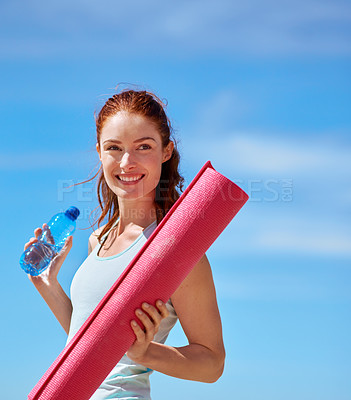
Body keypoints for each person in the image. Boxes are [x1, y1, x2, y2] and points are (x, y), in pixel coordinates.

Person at [23, 88, 226, 399]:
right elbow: (90, 347)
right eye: (114, 148)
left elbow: (211, 364)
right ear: (99, 153)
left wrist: (147, 353)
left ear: (166, 151)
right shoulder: (98, 240)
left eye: (143, 146)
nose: (127, 162)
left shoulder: (178, 250)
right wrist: (47, 284)